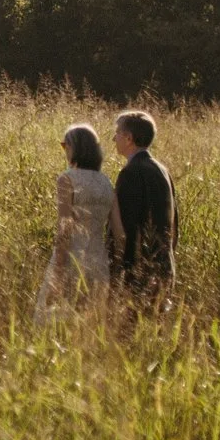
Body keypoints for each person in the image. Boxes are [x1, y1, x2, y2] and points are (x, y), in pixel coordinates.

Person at [38, 123, 120, 315]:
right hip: (99, 262)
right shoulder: (106, 182)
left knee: (54, 323)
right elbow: (120, 233)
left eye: (65, 145)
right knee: (91, 324)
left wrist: (57, 272)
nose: (64, 150)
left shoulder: (67, 179)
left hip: (72, 260)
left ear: (75, 148)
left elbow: (65, 228)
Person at [111, 110, 176, 303]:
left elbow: (125, 226)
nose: (114, 138)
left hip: (140, 270)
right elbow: (174, 221)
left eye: (117, 133)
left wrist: (119, 267)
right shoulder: (161, 169)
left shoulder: (131, 172)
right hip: (165, 265)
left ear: (129, 138)